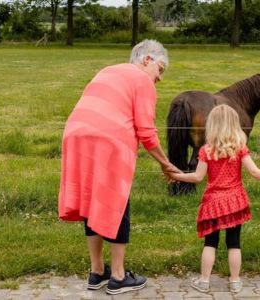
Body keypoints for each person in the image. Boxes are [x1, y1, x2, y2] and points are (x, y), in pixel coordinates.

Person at [58, 39, 181, 295]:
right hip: (108, 140)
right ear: (147, 60)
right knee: (116, 203)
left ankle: (96, 272)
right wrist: (166, 164)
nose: (159, 78)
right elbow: (146, 131)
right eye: (160, 70)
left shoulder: (108, 70)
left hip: (75, 135)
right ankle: (118, 276)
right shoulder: (142, 79)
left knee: (92, 203)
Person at [168, 104, 260, 293]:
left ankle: (204, 281)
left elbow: (197, 177)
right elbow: (254, 171)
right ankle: (235, 282)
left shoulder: (206, 150)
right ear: (234, 125)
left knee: (210, 243)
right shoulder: (239, 148)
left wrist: (176, 175)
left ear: (212, 125)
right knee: (234, 243)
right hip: (235, 201)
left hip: (213, 203)